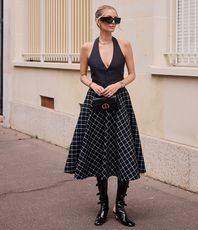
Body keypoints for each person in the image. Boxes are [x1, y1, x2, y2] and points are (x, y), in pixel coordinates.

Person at [64, 5, 146, 227]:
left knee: (125, 153)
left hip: (120, 103)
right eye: (108, 18)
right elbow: (82, 75)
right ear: (98, 21)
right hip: (96, 103)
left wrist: (118, 84)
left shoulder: (125, 45)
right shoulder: (87, 47)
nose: (113, 22)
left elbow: (132, 75)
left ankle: (119, 207)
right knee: (99, 152)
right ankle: (103, 205)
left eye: (116, 18)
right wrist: (93, 84)